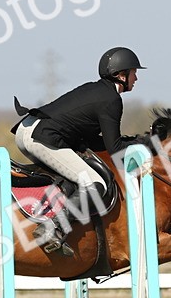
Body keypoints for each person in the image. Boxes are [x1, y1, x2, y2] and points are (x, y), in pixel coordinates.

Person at [11, 46, 148, 255]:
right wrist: (147, 145)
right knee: (95, 183)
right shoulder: (111, 100)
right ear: (120, 75)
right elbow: (115, 149)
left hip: (27, 129)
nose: (136, 78)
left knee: (75, 176)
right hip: (41, 137)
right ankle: (52, 227)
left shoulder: (96, 90)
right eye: (133, 72)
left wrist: (134, 140)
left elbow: (95, 141)